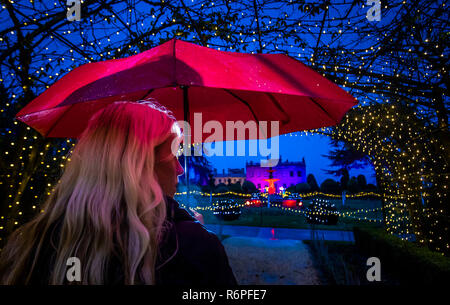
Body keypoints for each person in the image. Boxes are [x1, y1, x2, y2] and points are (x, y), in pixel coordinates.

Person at [0, 99, 237, 285]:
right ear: (139, 165)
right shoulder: (187, 247)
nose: (179, 169)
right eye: (173, 156)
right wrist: (193, 236)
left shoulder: (32, 243)